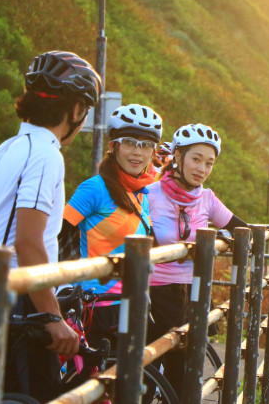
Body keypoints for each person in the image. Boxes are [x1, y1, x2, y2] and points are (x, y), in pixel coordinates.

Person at [0, 51, 101, 401]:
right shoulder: (45, 155)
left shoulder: (7, 148)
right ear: (75, 111)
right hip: (20, 303)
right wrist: (51, 317)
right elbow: (28, 242)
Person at [147, 123, 248, 397]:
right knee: (147, 374)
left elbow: (243, 231)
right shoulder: (150, 194)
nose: (201, 169)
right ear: (177, 157)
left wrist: (222, 238)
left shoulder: (207, 199)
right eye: (196, 159)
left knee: (183, 377)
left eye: (209, 163)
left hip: (191, 294)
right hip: (154, 294)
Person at [58, 103, 162, 346]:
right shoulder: (94, 188)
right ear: (113, 146)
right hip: (97, 307)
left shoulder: (141, 193)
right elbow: (57, 235)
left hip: (132, 301)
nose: (138, 151)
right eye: (130, 142)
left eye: (146, 144)